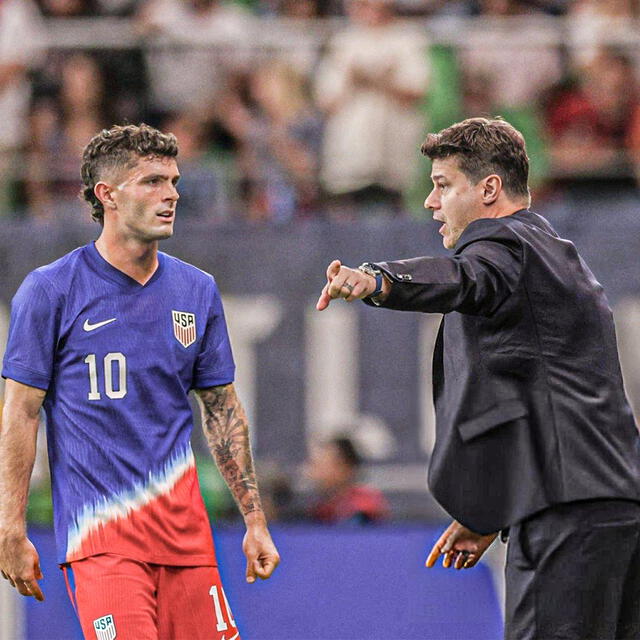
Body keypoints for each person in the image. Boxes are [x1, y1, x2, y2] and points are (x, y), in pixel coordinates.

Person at [316, 117, 640, 639]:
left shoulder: (504, 247)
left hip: (564, 515)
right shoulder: (552, 255)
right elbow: (535, 403)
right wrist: (492, 510)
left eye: (443, 185)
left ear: (489, 188)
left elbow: (463, 276)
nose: (429, 201)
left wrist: (378, 279)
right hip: (608, 508)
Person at [0, 123, 280, 640]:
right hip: (103, 544)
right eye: (152, 181)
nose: (171, 194)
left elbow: (221, 409)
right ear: (106, 195)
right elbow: (20, 411)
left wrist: (254, 520)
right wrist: (10, 526)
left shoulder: (197, 290)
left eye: (173, 181)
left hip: (188, 544)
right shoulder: (51, 290)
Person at [305, 436, 389, 524]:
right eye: (313, 465)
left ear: (345, 468)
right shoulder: (320, 508)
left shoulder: (364, 505)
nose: (310, 472)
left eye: (320, 465)